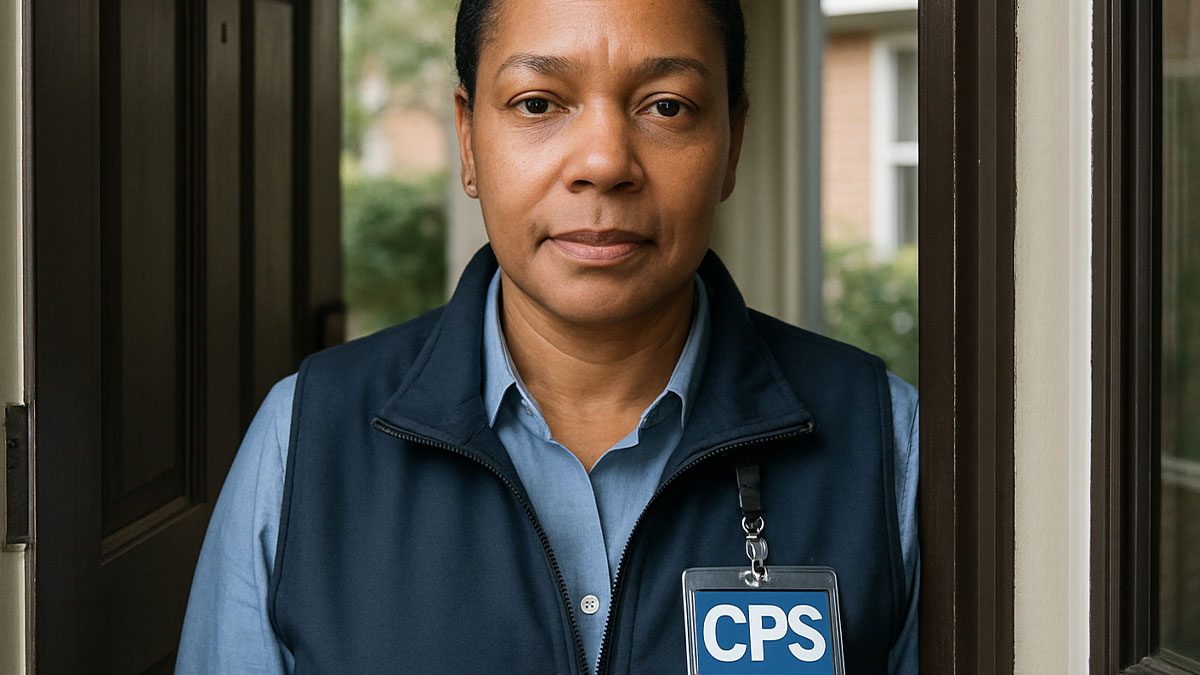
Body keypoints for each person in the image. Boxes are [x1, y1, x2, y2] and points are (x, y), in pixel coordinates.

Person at [176, 0, 919, 672]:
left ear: (731, 143)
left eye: (667, 106)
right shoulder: (304, 439)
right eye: (538, 103)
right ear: (468, 139)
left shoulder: (885, 441)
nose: (603, 163)